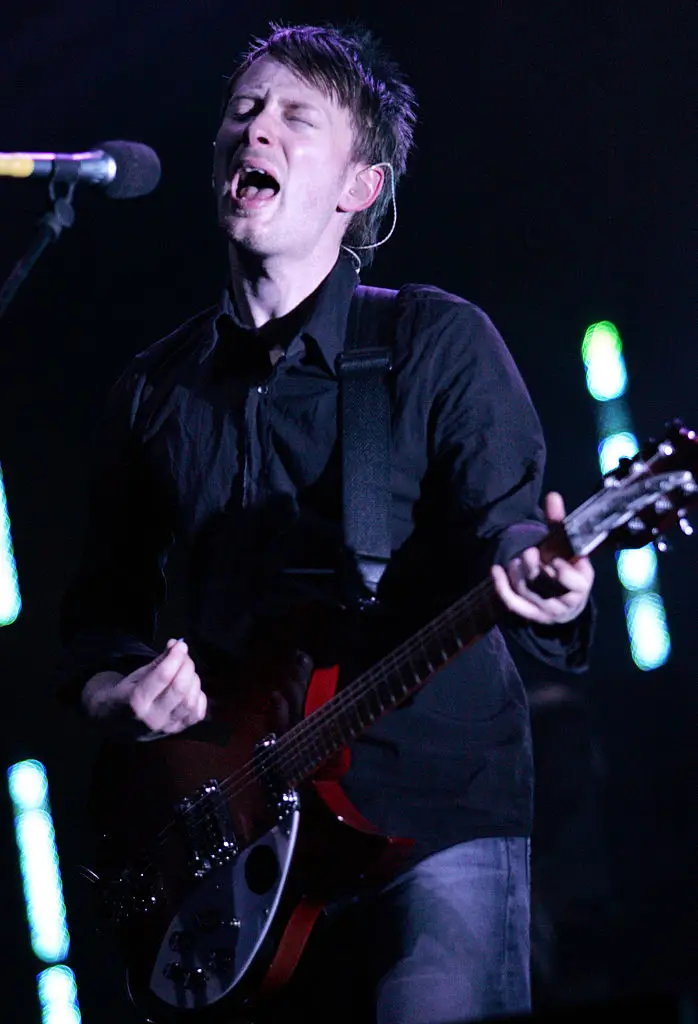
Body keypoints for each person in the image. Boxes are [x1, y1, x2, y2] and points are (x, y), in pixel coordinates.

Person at [59, 23, 594, 1024]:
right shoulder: (151, 391)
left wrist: (550, 583)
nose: (254, 129)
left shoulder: (433, 342)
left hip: (428, 817)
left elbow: (510, 533)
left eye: (295, 117)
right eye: (243, 111)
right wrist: (118, 692)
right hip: (230, 839)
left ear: (359, 189)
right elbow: (96, 615)